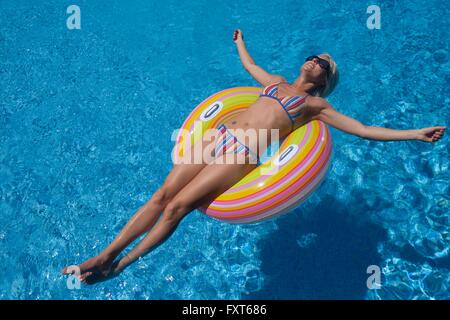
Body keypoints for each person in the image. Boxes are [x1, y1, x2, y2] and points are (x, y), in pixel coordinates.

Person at [62, 29, 446, 284]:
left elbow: (363, 129)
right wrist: (240, 42)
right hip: (219, 137)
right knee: (160, 196)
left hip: (244, 152)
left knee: (178, 207)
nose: (314, 60)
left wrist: (413, 133)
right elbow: (250, 67)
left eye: (323, 64)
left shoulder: (315, 107)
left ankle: (120, 266)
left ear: (326, 81)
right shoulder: (276, 82)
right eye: (314, 56)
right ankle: (104, 254)